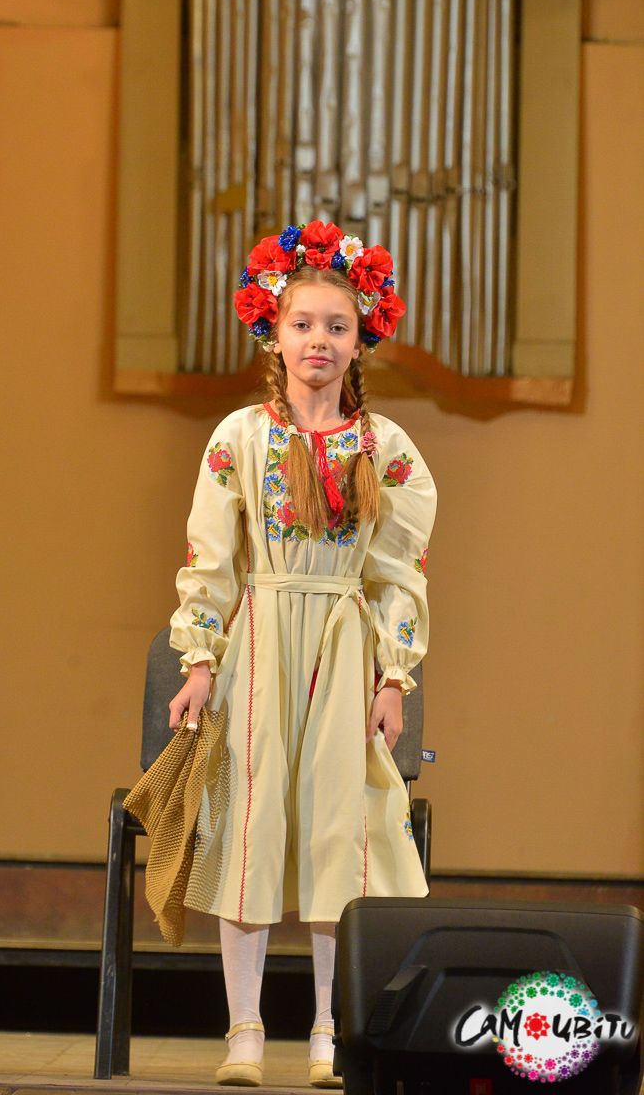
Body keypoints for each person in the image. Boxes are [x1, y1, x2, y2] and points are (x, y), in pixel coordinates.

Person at [166, 221, 436, 1087]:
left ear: (360, 340)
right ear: (272, 334)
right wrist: (198, 661)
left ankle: (327, 1030)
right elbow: (210, 558)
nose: (318, 340)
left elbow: (399, 574)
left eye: (336, 326)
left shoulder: (385, 448)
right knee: (246, 827)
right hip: (259, 643)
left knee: (338, 834)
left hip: (341, 647)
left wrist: (393, 676)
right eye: (302, 324)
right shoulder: (239, 437)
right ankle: (244, 1031)